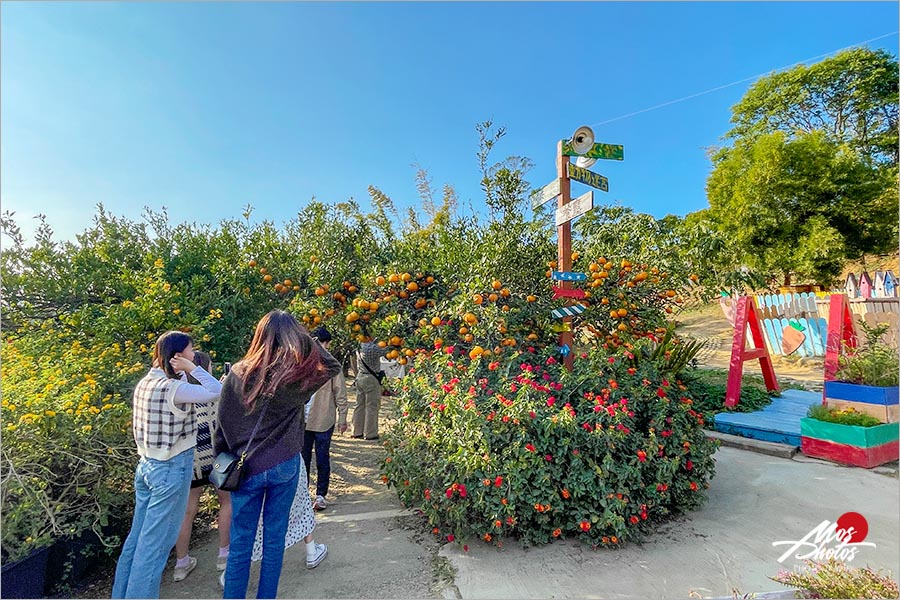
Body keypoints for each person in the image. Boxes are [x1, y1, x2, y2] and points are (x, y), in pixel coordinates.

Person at [215, 310, 340, 599]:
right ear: (293, 337)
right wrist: (307, 339)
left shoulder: (237, 373)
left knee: (241, 544)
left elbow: (223, 423)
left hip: (245, 467)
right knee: (273, 542)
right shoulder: (294, 378)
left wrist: (224, 458)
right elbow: (331, 365)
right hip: (284, 464)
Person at [112, 331, 222, 599]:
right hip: (172, 470)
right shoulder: (174, 389)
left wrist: (183, 369)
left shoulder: (146, 384)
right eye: (190, 350)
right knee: (154, 549)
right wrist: (194, 368)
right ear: (177, 356)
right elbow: (218, 391)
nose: (193, 354)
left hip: (147, 466)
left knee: (137, 540)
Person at [172, 351, 232, 582]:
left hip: (192, 460)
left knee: (187, 510)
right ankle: (224, 553)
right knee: (226, 503)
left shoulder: (182, 392)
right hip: (217, 458)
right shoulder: (215, 392)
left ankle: (181, 562)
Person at [303, 326, 348, 511]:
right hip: (304, 421)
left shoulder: (331, 365)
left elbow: (340, 392)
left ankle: (320, 494)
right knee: (305, 459)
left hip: (322, 420)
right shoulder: (303, 363)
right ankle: (305, 495)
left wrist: (343, 418)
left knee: (319, 458)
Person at [352, 335, 387, 440]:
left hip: (360, 376)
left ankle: (357, 431)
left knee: (359, 405)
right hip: (371, 378)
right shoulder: (373, 348)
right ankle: (370, 433)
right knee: (372, 406)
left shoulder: (359, 345)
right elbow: (387, 351)